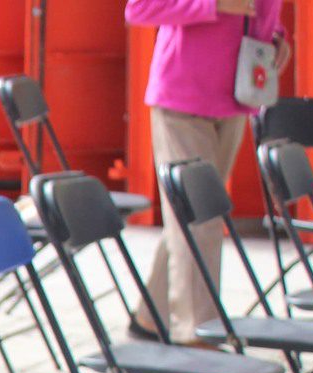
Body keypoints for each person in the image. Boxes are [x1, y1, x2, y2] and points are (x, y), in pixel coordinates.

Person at [126, 0, 289, 345]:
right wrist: (213, 5)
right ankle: (197, 333)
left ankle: (151, 317)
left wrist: (275, 38)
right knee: (200, 220)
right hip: (182, 99)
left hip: (235, 97)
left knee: (192, 218)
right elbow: (138, 9)